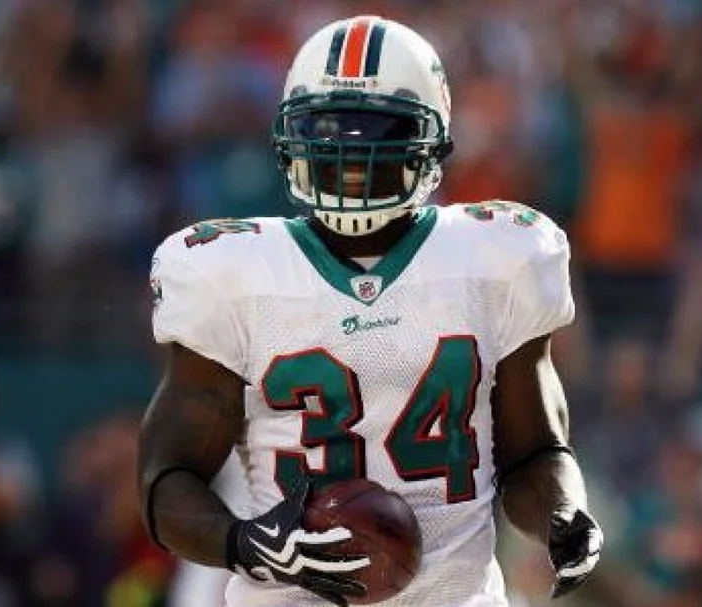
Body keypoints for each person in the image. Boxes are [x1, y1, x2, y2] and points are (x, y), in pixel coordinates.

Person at [137, 15, 603, 607]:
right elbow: (167, 476)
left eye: (377, 132)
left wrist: (563, 512)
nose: (352, 157)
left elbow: (535, 452)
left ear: (433, 142)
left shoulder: (495, 258)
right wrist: (244, 543)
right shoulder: (234, 274)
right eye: (328, 132)